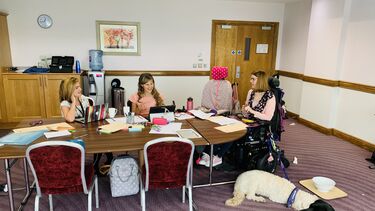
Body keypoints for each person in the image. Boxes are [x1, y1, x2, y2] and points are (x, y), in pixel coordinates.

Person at [59, 77, 113, 175]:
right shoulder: (65, 103)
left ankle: (106, 160)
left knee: (102, 136)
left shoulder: (83, 98)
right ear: (69, 90)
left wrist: (103, 113)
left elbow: (91, 113)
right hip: (72, 134)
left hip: (86, 129)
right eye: (77, 88)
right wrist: (74, 101)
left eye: (79, 87)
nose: (80, 89)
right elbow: (70, 119)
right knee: (97, 140)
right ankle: (95, 165)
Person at [197, 66, 233, 167]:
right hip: (223, 114)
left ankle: (210, 154)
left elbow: (205, 100)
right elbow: (228, 102)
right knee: (220, 133)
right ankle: (211, 154)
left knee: (210, 133)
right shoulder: (228, 84)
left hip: (209, 113)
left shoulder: (209, 83)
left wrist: (209, 110)